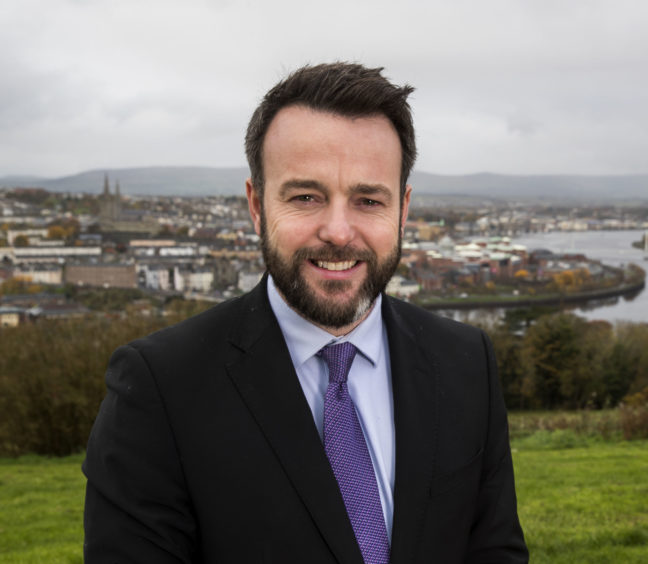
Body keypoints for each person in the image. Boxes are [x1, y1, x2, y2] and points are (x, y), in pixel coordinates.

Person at [83, 62, 528, 564]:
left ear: (403, 210)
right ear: (256, 206)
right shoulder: (159, 387)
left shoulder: (466, 361)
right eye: (306, 197)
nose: (338, 231)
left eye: (367, 200)